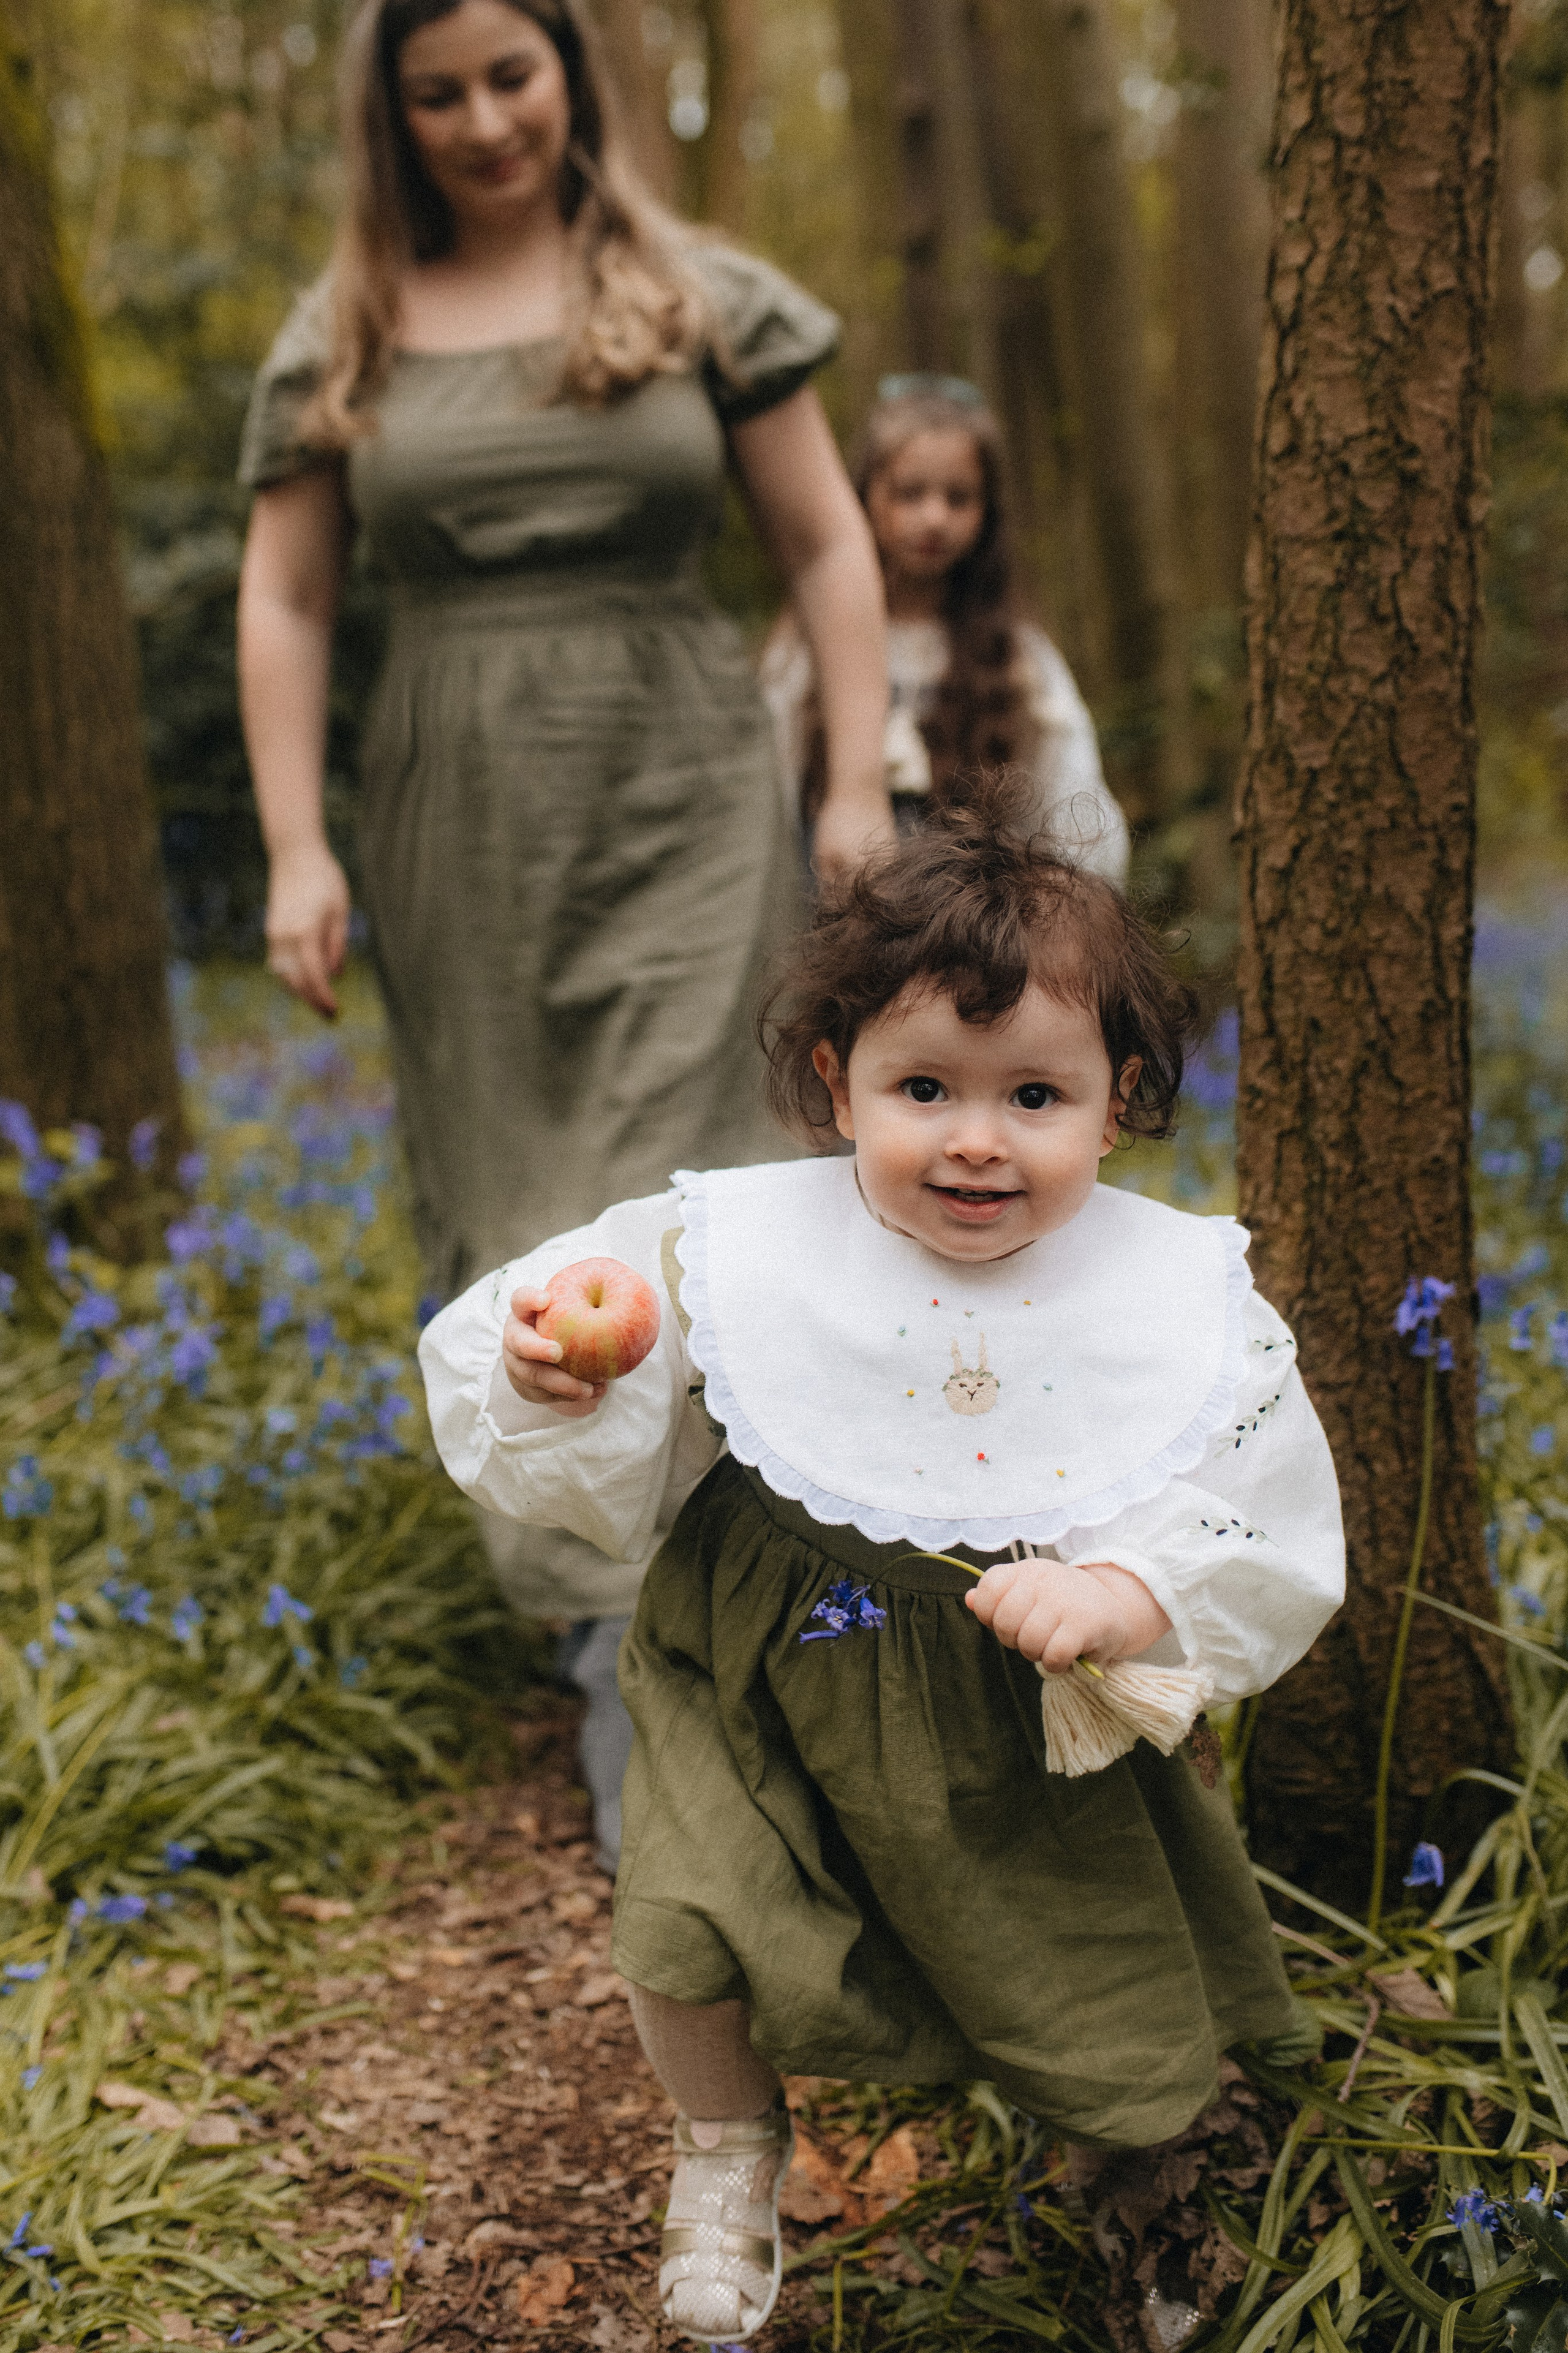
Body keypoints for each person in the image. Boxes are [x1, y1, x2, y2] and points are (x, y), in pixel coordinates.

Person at [418, 772, 1344, 2343]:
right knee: (689, 1909)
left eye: (1032, 1098)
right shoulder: (731, 1236)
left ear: (1115, 1101)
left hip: (1019, 1698)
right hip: (769, 1654)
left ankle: (1137, 2183)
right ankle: (722, 2144)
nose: (975, 1141)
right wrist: (551, 1371)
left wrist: (1126, 1588)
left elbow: (1260, 1495)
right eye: (925, 1089)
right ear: (836, 1082)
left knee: (1084, 1970)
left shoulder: (1170, 1289)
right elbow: (560, 1345)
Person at [235, 0, 892, 1868]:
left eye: (509, 76)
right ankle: (620, 1628)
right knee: (525, 1210)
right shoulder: (343, 324)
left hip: (686, 788)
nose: (480, 120)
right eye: (434, 93)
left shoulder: (699, 292)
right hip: (462, 815)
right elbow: (284, 597)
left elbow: (829, 545)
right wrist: (293, 845)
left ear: (573, 80)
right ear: (391, 115)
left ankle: (745, 1633)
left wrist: (853, 782)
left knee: (716, 1192)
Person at [763, 374, 1129, 883]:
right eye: (909, 494)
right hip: (831, 918)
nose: (934, 518)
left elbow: (1069, 792)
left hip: (967, 931)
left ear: (987, 509)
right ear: (865, 496)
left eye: (958, 498)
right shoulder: (814, 644)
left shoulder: (1017, 654)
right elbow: (772, 793)